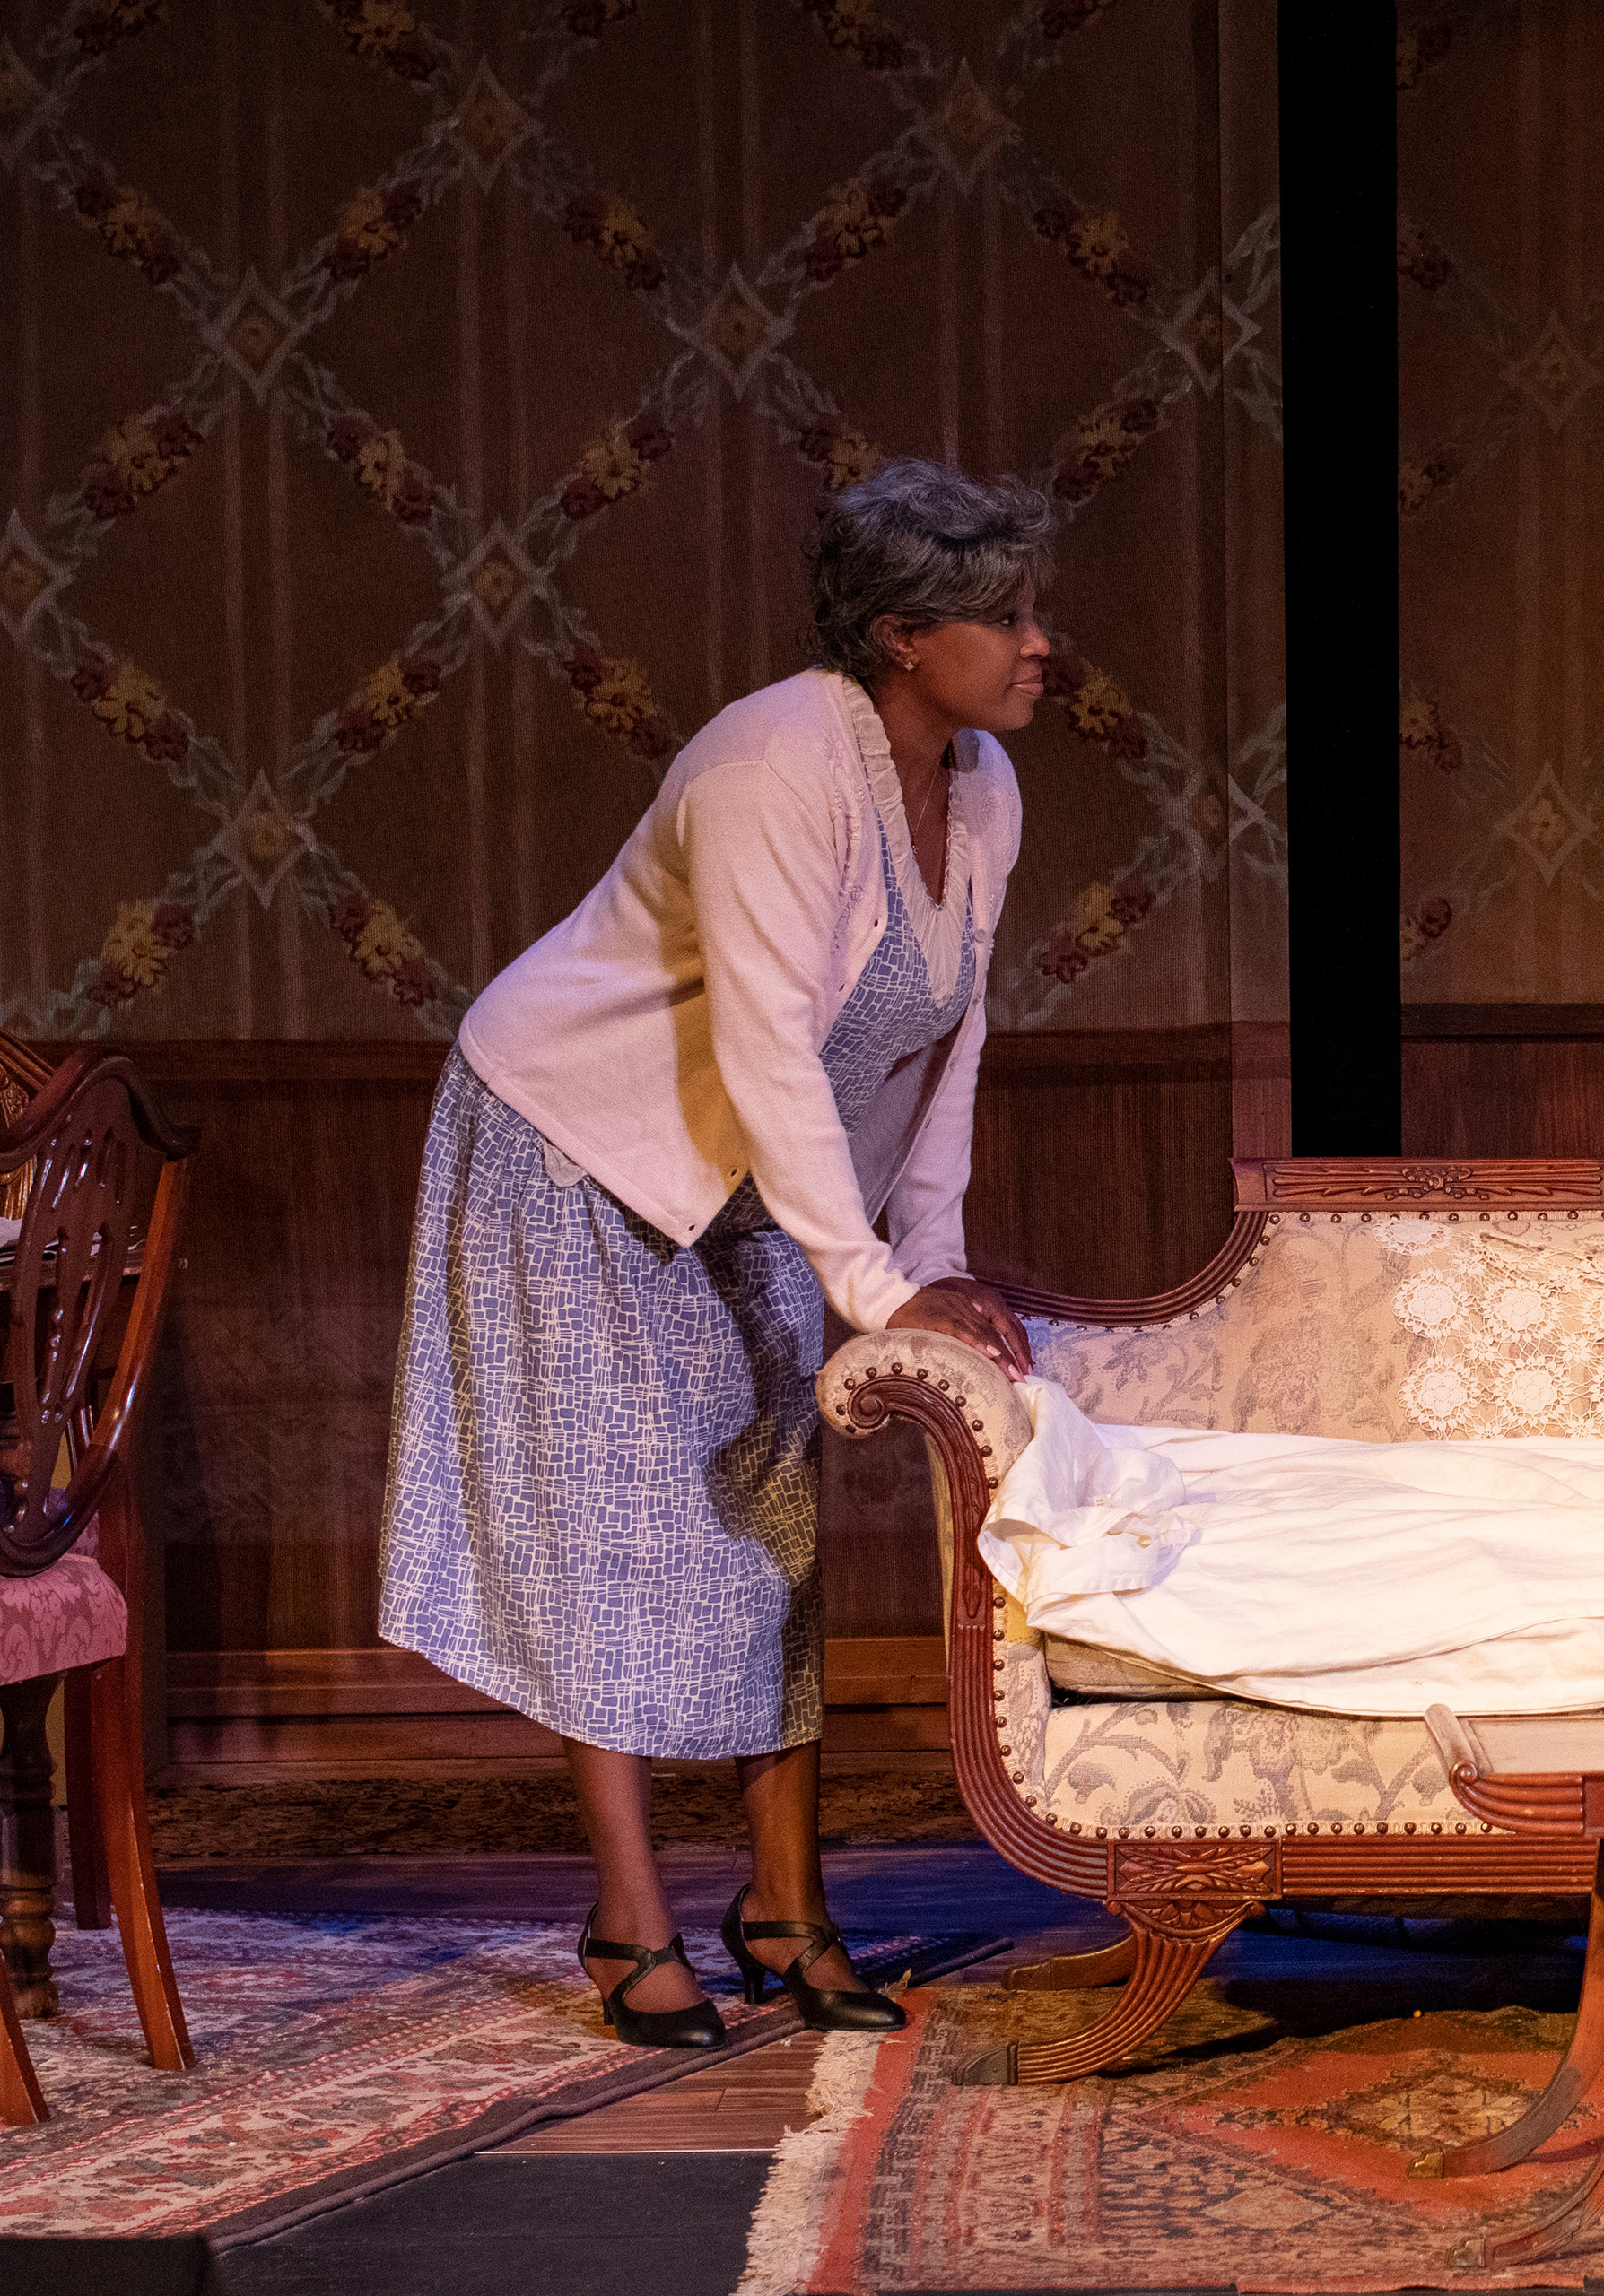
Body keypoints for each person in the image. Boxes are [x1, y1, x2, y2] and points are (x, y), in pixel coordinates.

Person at [379, 461, 1043, 2047]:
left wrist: (928, 1262)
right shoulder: (771, 767)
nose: (1041, 644)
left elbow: (944, 1046)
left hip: (759, 1180)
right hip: (575, 1146)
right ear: (902, 636)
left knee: (772, 1522)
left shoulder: (985, 788)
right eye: (1005, 615)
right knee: (610, 1532)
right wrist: (868, 1287)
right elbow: (765, 1048)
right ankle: (629, 1917)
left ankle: (785, 1906)